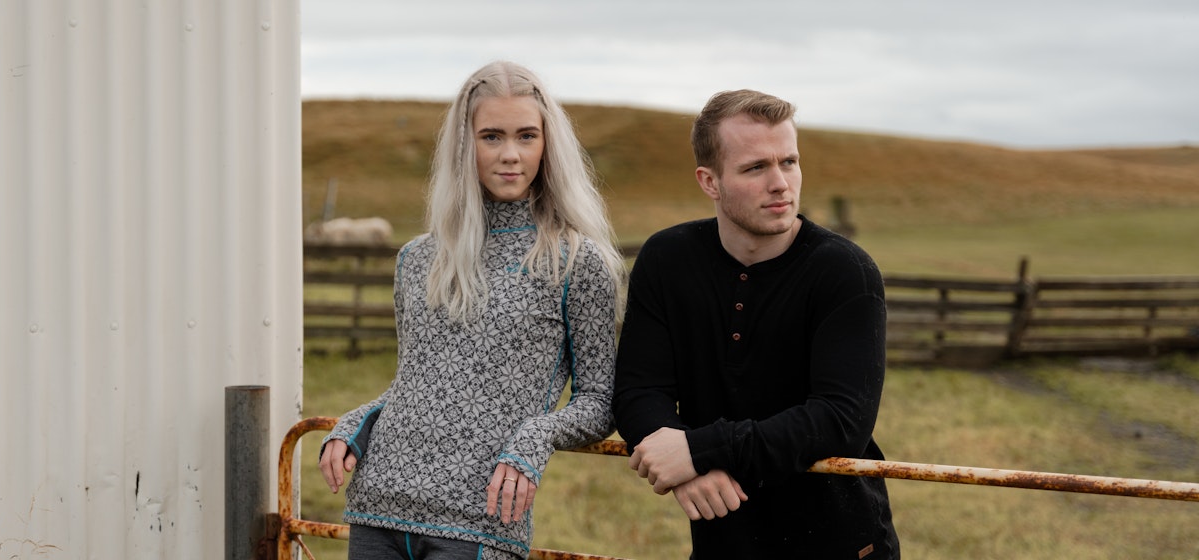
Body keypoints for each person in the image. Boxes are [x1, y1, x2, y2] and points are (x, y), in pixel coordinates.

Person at [318, 61, 622, 560]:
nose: (510, 154)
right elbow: (417, 380)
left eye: (526, 136)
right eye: (491, 136)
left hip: (479, 522)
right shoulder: (416, 259)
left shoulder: (575, 261)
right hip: (377, 507)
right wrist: (362, 417)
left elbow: (600, 401)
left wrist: (537, 435)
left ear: (548, 145)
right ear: (465, 145)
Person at [612, 89, 900, 559]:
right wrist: (688, 468)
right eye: (755, 168)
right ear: (710, 181)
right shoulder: (667, 260)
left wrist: (699, 451)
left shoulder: (845, 271)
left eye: (789, 162)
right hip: (723, 542)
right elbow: (638, 390)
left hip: (840, 544)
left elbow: (840, 419)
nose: (780, 183)